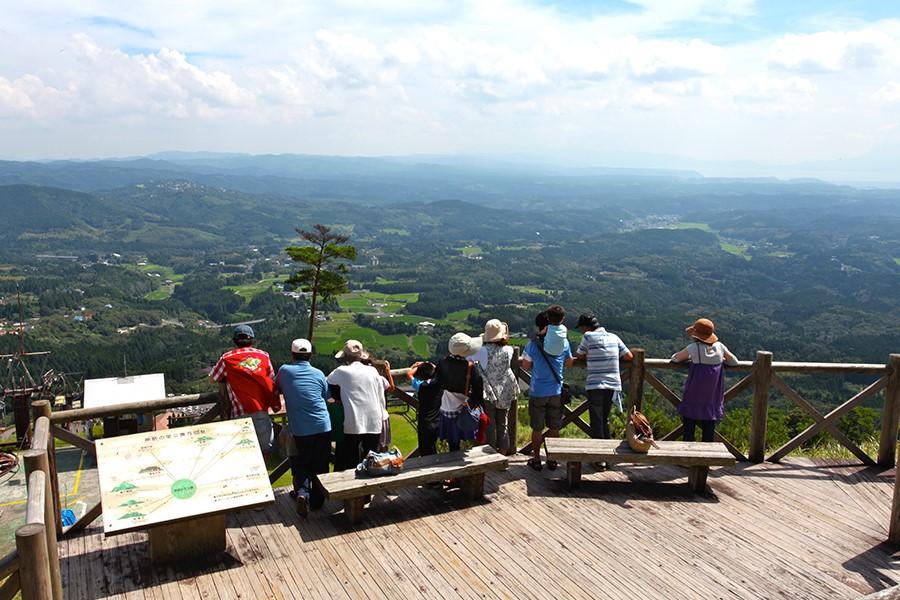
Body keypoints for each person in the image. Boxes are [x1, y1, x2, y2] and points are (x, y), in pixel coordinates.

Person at [276, 338, 330, 517]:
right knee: (320, 463)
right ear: (311, 355)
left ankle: (302, 493)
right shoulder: (319, 373)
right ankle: (317, 501)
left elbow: (277, 388)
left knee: (301, 462)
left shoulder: (284, 371)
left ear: (292, 354)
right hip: (322, 424)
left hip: (300, 428)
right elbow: (325, 394)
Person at [209, 324, 279, 458]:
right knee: (265, 453)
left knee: (243, 455)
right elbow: (271, 378)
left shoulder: (227, 358)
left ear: (235, 340)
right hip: (261, 409)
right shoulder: (263, 355)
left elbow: (213, 378)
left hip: (238, 411)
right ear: (252, 340)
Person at [670, 318, 739, 442]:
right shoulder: (720, 347)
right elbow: (734, 362)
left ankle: (687, 455)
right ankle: (706, 456)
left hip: (694, 393)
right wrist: (721, 360)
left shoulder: (694, 348)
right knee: (709, 427)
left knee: (689, 427)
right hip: (712, 396)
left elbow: (675, 358)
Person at [326, 340, 391, 470]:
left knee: (349, 461)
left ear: (345, 357)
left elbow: (329, 382)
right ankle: (371, 487)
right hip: (374, 420)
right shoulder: (372, 371)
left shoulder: (341, 371)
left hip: (354, 420)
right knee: (372, 460)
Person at [522, 312, 574, 470]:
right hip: (556, 391)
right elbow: (570, 363)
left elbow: (526, 366)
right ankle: (552, 459)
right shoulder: (563, 342)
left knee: (537, 428)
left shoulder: (533, 344)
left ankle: (536, 459)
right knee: (554, 427)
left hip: (538, 390)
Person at [574, 313, 633, 442]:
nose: (582, 330)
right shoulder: (614, 337)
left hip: (596, 384)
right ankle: (607, 453)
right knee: (604, 418)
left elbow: (579, 355)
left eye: (582, 328)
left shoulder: (588, 336)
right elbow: (629, 356)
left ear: (586, 327)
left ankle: (599, 458)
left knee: (596, 420)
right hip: (613, 384)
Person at [474, 319, 518, 455]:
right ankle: (503, 453)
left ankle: (492, 453)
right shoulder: (508, 350)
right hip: (504, 390)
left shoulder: (481, 351)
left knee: (490, 425)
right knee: (502, 423)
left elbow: (471, 360)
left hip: (488, 391)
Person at [436, 333, 484, 452]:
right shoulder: (470, 367)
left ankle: (453, 458)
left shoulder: (442, 363)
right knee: (469, 437)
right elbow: (478, 388)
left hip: (445, 407)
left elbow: (437, 382)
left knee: (453, 441)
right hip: (463, 409)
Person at [410, 361, 441, 456]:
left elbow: (409, 373)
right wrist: (429, 364)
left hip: (425, 423)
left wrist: (416, 366)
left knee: (425, 450)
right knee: (433, 446)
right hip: (437, 421)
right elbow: (439, 371)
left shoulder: (420, 386)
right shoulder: (438, 384)